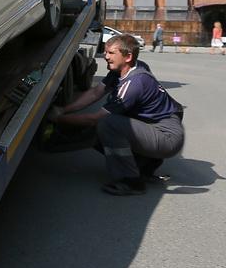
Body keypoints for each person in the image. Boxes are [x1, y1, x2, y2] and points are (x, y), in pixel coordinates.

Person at [48, 34, 185, 196]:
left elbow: (94, 119)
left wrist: (58, 119)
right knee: (112, 125)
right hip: (155, 128)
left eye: (111, 53)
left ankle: (131, 181)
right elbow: (95, 92)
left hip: (166, 136)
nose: (106, 56)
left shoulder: (134, 84)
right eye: (106, 52)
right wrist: (64, 110)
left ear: (128, 57)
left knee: (108, 125)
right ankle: (143, 165)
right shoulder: (125, 69)